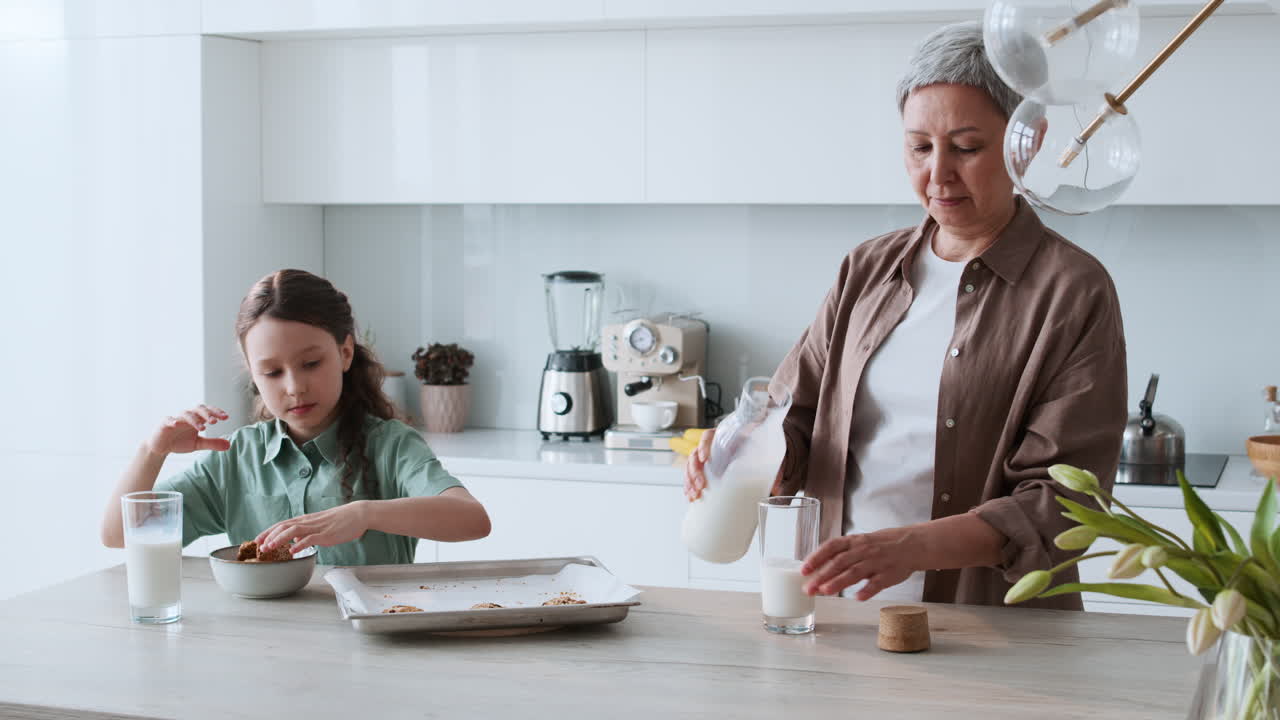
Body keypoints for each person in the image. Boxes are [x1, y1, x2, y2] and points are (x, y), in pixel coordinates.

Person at [685, 21, 1126, 609]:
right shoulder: (866, 269)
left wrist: (913, 548)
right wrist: (744, 449)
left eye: (967, 148)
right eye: (919, 147)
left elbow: (1065, 503)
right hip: (840, 614)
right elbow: (795, 414)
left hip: (992, 629)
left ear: (1029, 139)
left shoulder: (1072, 291)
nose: (937, 174)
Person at [101, 269, 491, 564]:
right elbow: (119, 535)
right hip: (264, 653)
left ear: (345, 353)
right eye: (272, 372)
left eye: (310, 363)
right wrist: (153, 452)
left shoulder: (390, 444)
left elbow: (473, 519)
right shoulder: (237, 455)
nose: (294, 387)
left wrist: (364, 513)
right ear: (253, 375)